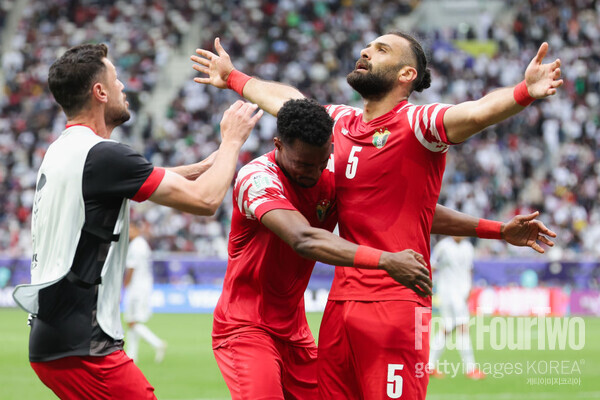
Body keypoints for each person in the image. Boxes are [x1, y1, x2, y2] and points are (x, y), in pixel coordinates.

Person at [192, 31, 561, 399]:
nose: (366, 51)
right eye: (367, 46)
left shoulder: (419, 124)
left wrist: (523, 92)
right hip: (338, 310)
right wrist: (234, 78)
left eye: (381, 50)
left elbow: (476, 112)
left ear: (407, 75)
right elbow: (289, 104)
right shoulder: (340, 125)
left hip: (399, 303)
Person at [11, 43, 262, 400]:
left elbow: (131, 181)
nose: (124, 88)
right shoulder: (105, 155)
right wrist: (232, 141)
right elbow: (206, 201)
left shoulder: (62, 150)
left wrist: (201, 166)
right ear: (99, 92)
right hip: (83, 344)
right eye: (116, 81)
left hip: (55, 335)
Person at [428, 236, 483, 380]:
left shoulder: (468, 247)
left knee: (447, 327)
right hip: (448, 293)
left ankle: (430, 365)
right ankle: (470, 368)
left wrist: (470, 287)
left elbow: (469, 269)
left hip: (462, 293)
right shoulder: (443, 246)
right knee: (463, 327)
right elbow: (432, 266)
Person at [123, 218, 167, 364]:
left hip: (137, 288)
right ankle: (132, 355)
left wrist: (124, 285)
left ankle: (157, 344)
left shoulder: (136, 246)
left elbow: (131, 268)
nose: (128, 232)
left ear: (136, 229)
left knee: (132, 322)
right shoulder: (142, 244)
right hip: (144, 286)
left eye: (130, 229)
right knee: (132, 321)